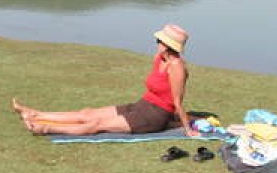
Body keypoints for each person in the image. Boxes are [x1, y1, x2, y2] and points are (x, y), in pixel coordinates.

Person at [12, 24, 195, 136]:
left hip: (153, 117)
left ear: (169, 46)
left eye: (160, 41)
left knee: (96, 124)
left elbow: (177, 102)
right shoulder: (160, 59)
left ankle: (45, 128)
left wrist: (187, 129)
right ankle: (36, 114)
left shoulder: (177, 67)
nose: (157, 43)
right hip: (142, 106)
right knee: (87, 113)